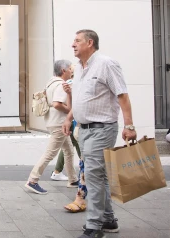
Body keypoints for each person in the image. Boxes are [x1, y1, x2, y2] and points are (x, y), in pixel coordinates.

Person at [62, 29, 136, 238]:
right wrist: (69, 118)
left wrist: (129, 126)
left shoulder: (106, 64)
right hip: (84, 130)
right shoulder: (79, 67)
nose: (73, 44)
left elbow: (122, 95)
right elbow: (79, 98)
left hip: (102, 129)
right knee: (99, 175)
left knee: (92, 176)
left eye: (77, 41)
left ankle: (94, 227)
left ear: (90, 43)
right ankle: (109, 220)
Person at [25, 60, 78, 195]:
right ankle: (33, 180)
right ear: (63, 70)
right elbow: (56, 104)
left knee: (69, 150)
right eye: (70, 68)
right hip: (59, 123)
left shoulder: (50, 83)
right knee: (50, 153)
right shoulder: (61, 85)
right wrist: (69, 111)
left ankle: (72, 179)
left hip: (52, 122)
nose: (72, 71)